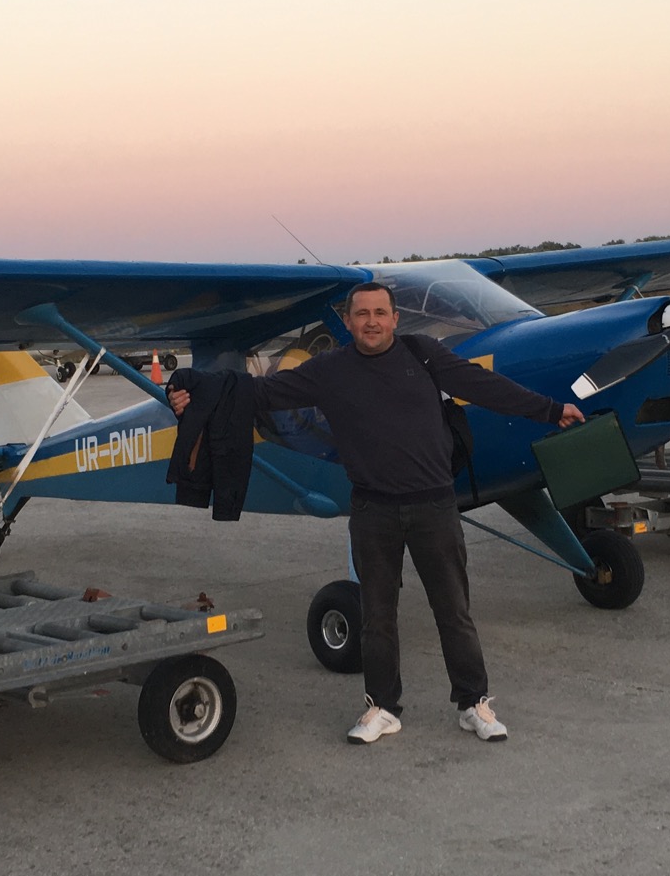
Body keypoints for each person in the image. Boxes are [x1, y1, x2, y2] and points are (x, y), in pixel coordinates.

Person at [169, 281, 582, 745]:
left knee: (453, 611)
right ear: (348, 322)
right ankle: (382, 708)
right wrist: (194, 392)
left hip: (434, 506)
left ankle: (473, 704)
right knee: (377, 618)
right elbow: (259, 392)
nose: (371, 322)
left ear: (394, 319)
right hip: (373, 509)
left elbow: (485, 387)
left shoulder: (423, 354)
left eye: (380, 313)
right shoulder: (329, 370)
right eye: (362, 314)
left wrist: (550, 411)